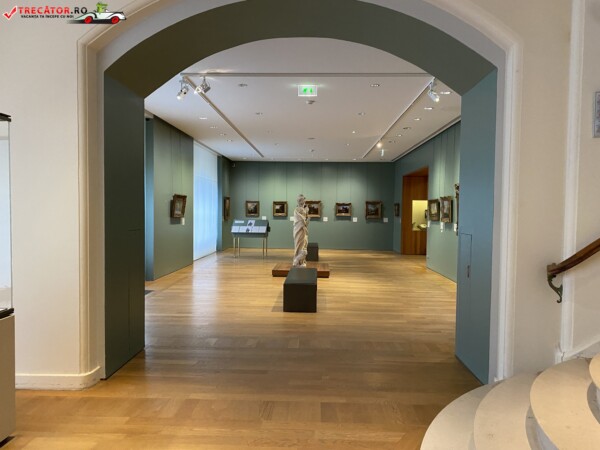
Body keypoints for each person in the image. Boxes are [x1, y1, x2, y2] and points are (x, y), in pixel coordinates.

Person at [292, 194, 309, 266]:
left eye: (304, 201)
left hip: (303, 229)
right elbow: (302, 220)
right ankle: (297, 261)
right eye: (303, 201)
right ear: (300, 201)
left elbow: (305, 220)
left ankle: (301, 261)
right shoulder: (297, 210)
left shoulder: (302, 209)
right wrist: (306, 219)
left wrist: (306, 213)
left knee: (304, 244)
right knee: (299, 244)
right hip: (299, 229)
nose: (304, 202)